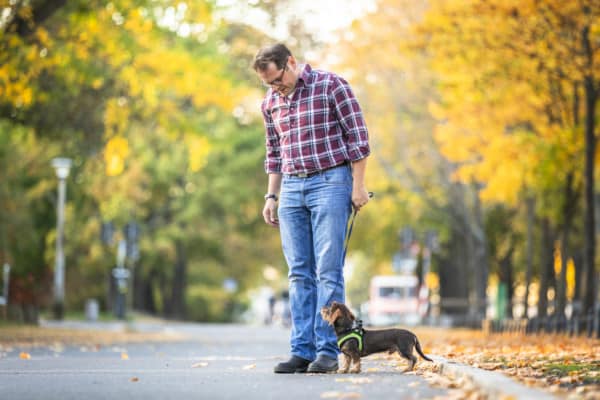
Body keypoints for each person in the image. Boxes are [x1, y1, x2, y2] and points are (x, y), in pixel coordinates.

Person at [253, 43, 371, 373]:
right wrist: (271, 196)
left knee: (327, 270)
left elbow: (358, 139)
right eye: (268, 84)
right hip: (290, 186)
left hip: (330, 182)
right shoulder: (270, 103)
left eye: (277, 79)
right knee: (298, 271)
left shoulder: (332, 85)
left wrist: (358, 186)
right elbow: (273, 153)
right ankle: (301, 350)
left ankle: (328, 350)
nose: (275, 88)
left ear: (291, 63)